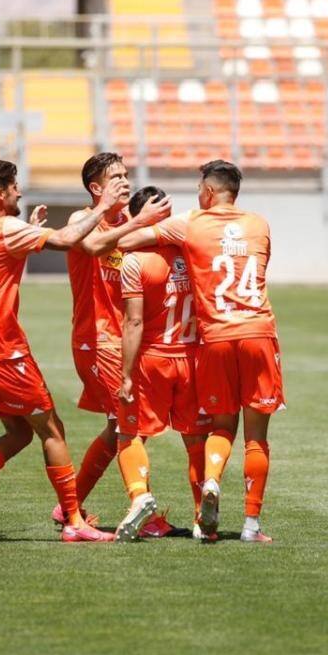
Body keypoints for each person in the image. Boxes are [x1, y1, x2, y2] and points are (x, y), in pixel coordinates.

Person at [0, 157, 164, 543]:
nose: (20, 191)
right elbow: (69, 241)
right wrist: (110, 211)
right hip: (4, 352)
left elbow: (4, 254)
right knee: (56, 431)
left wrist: (31, 231)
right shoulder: (9, 227)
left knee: (18, 432)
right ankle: (76, 519)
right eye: (14, 187)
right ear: (0, 193)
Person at [119, 160, 285, 543]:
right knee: (256, 436)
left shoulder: (191, 222)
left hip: (214, 339)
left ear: (208, 192)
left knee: (222, 426)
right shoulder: (260, 224)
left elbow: (128, 242)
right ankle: (251, 526)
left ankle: (212, 481)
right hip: (258, 332)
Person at [59, 152, 173, 532]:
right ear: (96, 188)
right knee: (129, 425)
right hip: (96, 340)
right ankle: (146, 513)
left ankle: (68, 507)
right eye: (116, 178)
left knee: (116, 429)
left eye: (127, 176)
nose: (126, 182)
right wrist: (140, 222)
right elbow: (91, 247)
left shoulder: (127, 222)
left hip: (121, 340)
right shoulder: (80, 220)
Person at [112, 186, 212, 541]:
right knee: (196, 439)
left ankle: (140, 495)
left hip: (153, 360)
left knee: (129, 434)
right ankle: (203, 516)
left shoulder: (134, 261)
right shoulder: (192, 251)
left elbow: (133, 323)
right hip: (191, 357)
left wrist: (125, 374)